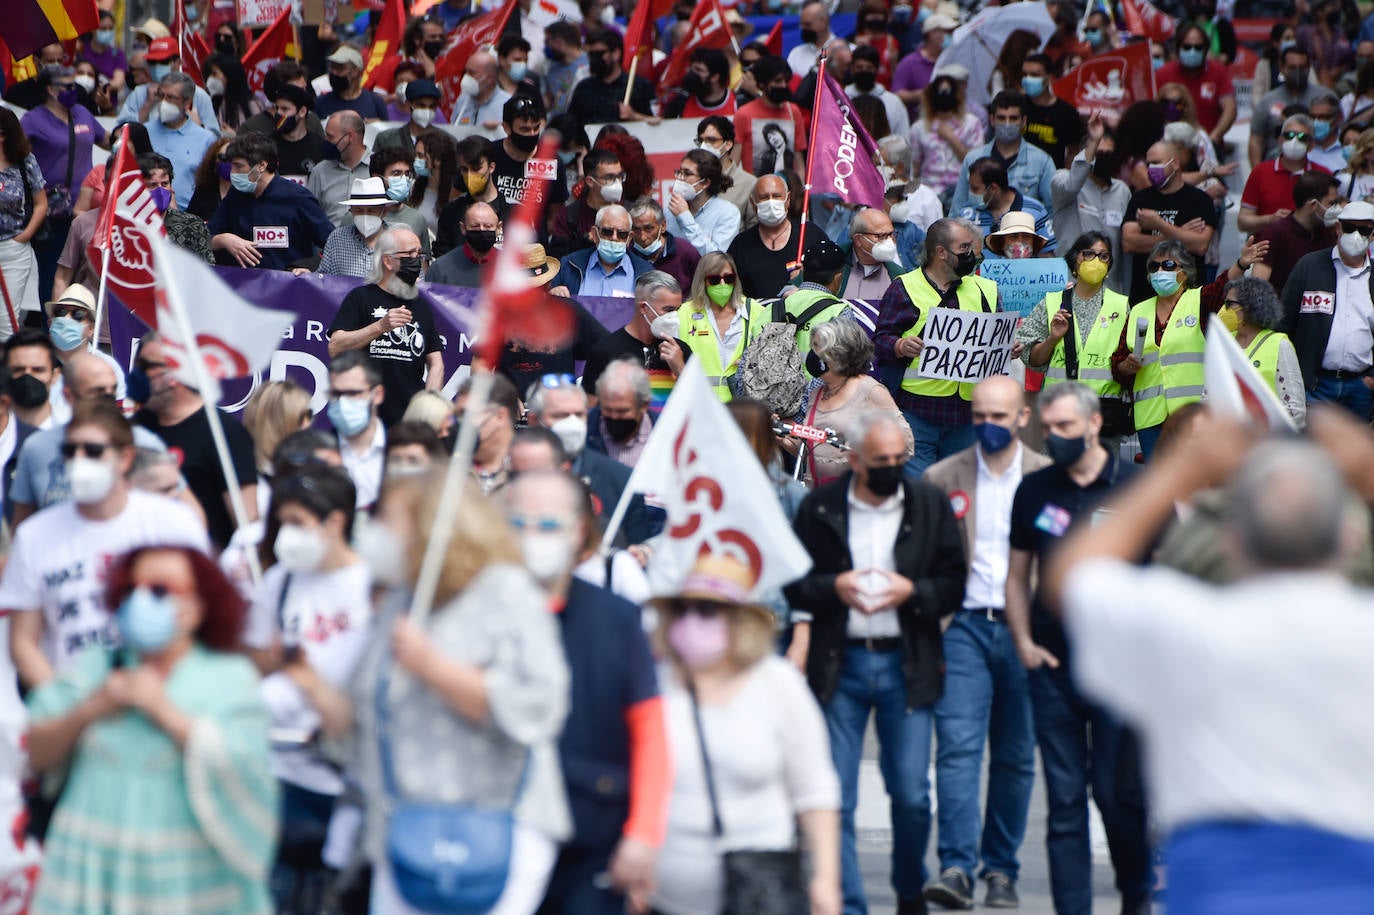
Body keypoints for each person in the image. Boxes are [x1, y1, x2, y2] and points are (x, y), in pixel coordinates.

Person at [1046, 411, 1374, 912]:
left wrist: (1178, 473)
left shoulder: (1191, 629)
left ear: (1232, 539)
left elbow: (1073, 576)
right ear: (1350, 537)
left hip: (1217, 888)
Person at [316, 470, 572, 914]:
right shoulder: (402, 599)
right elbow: (361, 707)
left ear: (427, 525)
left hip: (496, 827)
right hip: (404, 828)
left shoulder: (506, 592)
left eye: (388, 519)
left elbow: (540, 707)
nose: (376, 534)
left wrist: (434, 668)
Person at [24, 543, 276, 913]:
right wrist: (90, 710)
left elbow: (249, 771)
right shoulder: (98, 665)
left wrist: (164, 712)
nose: (140, 600)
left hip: (185, 882)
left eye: (159, 590)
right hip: (91, 872)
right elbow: (34, 752)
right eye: (131, 589)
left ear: (197, 607)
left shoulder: (229, 678)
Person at [786, 409, 965, 915]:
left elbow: (954, 582)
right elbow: (797, 582)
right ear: (855, 459)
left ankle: (910, 890)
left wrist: (913, 592)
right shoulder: (821, 508)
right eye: (881, 460)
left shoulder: (927, 505)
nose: (892, 468)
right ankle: (849, 905)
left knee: (910, 794)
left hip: (904, 663)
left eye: (899, 459)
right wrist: (833, 587)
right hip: (839, 664)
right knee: (835, 797)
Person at [1004, 382, 1152, 915]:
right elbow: (1018, 573)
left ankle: (1136, 894)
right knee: (1065, 801)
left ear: (1093, 425)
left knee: (1118, 797)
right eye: (1050, 429)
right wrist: (1022, 639)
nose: (1056, 437)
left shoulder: (1138, 488)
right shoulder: (1036, 489)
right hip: (1053, 665)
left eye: (1066, 427)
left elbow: (1167, 582)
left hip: (1121, 671)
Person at [502, 472, 667, 915]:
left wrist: (643, 833)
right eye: (519, 524)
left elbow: (650, 730)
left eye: (548, 524)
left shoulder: (617, 619)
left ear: (578, 531)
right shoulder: (482, 612)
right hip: (499, 836)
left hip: (593, 837)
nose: (533, 536)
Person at [650, 551, 840, 915]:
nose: (692, 621)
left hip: (759, 893)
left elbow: (815, 789)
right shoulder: (656, 685)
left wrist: (826, 880)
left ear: (740, 622)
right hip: (666, 900)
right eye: (683, 610)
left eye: (708, 610)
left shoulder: (776, 685)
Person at [918, 376, 1047, 911]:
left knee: (1016, 757)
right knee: (957, 750)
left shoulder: (1047, 479)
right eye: (980, 416)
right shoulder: (941, 477)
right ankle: (955, 867)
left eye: (999, 417)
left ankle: (1001, 869)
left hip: (1026, 632)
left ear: (1021, 417)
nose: (988, 426)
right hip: (964, 627)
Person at [2, 400, 208, 689]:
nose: (79, 460)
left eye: (93, 451)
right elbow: (23, 642)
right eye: (70, 451)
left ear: (125, 458)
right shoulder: (34, 536)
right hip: (71, 704)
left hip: (164, 697)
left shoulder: (172, 523)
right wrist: (62, 705)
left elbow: (202, 614)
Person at [246, 466, 368, 913]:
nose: (284, 536)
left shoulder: (369, 589)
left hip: (341, 781)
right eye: (281, 524)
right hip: (277, 775)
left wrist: (308, 680)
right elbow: (255, 658)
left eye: (297, 524)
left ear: (335, 523)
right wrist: (270, 661)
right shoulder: (281, 582)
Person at [874, 219, 1003, 476]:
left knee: (958, 493)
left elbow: (994, 337)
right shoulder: (904, 288)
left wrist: (1006, 347)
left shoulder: (986, 289)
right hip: (918, 412)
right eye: (964, 248)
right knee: (918, 491)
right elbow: (880, 340)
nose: (972, 254)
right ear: (941, 252)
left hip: (967, 414)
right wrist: (899, 345)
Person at [133, 332, 258, 547]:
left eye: (146, 366)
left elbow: (247, 525)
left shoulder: (224, 433)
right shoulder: (136, 427)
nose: (137, 374)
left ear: (175, 373)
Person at [327, 227, 444, 426]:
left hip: (407, 421)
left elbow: (436, 363)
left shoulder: (421, 305)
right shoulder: (361, 298)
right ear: (388, 261)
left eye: (419, 253)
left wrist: (428, 405)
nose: (416, 260)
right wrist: (380, 326)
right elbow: (335, 347)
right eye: (409, 254)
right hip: (363, 414)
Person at [525, 376, 656, 546]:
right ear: (534, 421)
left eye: (579, 414)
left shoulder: (621, 480)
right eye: (560, 415)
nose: (572, 423)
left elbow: (637, 550)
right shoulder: (509, 475)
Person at [1111, 240, 1208, 459]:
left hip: (1191, 414)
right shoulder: (1138, 310)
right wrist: (1126, 366)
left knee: (1190, 484)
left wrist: (1240, 264)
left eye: (1168, 266)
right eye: (1154, 267)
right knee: (1158, 485)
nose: (1160, 271)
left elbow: (1224, 287)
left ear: (1184, 272)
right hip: (1150, 417)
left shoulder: (1200, 300)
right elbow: (1117, 364)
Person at [1279, 200, 1374, 417]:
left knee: (1355, 450)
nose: (1356, 235)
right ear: (1338, 228)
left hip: (1360, 387)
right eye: (1350, 228)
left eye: (1365, 230)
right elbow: (1284, 322)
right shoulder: (1309, 266)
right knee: (1312, 449)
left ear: (1373, 235)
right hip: (1314, 384)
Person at [793, 319, 912, 487]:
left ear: (840, 353)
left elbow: (905, 443)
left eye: (818, 347)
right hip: (819, 495)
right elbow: (815, 448)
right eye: (813, 346)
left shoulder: (871, 391)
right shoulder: (817, 393)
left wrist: (863, 452)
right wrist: (786, 439)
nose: (812, 354)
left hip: (857, 494)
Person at [209, 132, 335, 271]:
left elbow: (335, 245)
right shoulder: (236, 195)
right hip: (244, 284)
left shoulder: (298, 198)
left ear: (261, 166)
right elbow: (204, 238)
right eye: (232, 166)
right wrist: (224, 239)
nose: (232, 172)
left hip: (288, 285)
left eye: (239, 167)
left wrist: (309, 266)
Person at [1121, 140, 1218, 304]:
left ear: (1175, 163)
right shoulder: (1140, 198)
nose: (1151, 168)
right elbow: (1129, 243)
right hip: (1144, 297)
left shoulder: (1200, 200)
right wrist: (1180, 234)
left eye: (1156, 162)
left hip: (1187, 298)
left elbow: (1200, 246)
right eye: (1148, 163)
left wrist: (1159, 225)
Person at [580, 271, 687, 410]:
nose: (675, 317)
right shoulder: (605, 351)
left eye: (677, 310)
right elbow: (590, 409)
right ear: (643, 307)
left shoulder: (681, 351)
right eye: (669, 310)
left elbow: (701, 403)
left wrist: (680, 368)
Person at [1050, 115, 1131, 292]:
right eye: (1098, 153)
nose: (1104, 158)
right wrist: (1093, 141)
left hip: (1109, 287)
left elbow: (1125, 250)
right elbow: (1072, 185)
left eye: (1109, 154)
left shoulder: (1122, 191)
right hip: (1070, 284)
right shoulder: (1062, 179)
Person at [676, 253, 770, 403]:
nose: (722, 285)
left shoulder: (755, 311)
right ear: (703, 281)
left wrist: (754, 361)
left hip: (743, 407)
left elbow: (773, 359)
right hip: (699, 405)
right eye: (714, 280)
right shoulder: (684, 314)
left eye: (729, 279)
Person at [949, 92, 1055, 221]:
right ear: (992, 120)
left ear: (1023, 121)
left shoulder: (1042, 161)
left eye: (1013, 118)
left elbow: (1052, 211)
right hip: (978, 234)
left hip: (1023, 235)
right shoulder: (973, 159)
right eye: (1001, 118)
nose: (1007, 123)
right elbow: (957, 209)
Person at [1222, 276, 1306, 426]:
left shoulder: (1279, 344)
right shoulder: (1225, 342)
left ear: (1250, 306)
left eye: (1230, 304)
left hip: (1265, 440)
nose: (1224, 310)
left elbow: (1294, 410)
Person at [1239, 113, 1332, 235]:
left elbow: (1332, 218)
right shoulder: (1260, 172)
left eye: (1302, 137)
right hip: (1267, 247)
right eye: (1289, 135)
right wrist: (1270, 219)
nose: (1294, 141)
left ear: (1312, 145)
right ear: (1280, 140)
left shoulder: (1323, 175)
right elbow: (1243, 221)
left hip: (1311, 247)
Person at [1252, 171, 1340, 295]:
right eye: (1331, 203)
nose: (1337, 209)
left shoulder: (1327, 232)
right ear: (1314, 204)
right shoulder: (1275, 233)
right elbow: (1257, 287)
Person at [0, 106, 47, 336]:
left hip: (12, 247)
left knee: (6, 320)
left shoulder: (23, 160)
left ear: (4, 134)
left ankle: (9, 369)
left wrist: (25, 235)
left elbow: (41, 203)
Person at [115, 38, 220, 136]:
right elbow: (120, 134)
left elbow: (214, 138)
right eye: (152, 62)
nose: (156, 66)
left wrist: (198, 127)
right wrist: (147, 105)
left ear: (178, 62)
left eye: (163, 62)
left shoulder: (197, 95)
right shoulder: (139, 93)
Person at [1155, 24, 1237, 148]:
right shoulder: (1163, 74)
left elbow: (1230, 108)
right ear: (1178, 48)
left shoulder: (1219, 72)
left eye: (1198, 47)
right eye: (1187, 47)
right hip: (1170, 148)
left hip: (1210, 144)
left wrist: (1214, 137)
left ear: (1205, 49)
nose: (1192, 51)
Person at [325, 352, 387, 510]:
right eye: (336, 394)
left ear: (377, 395)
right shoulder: (318, 452)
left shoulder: (399, 452)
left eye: (353, 393)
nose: (343, 402)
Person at [144, 72, 216, 207]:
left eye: (171, 97)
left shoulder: (206, 139)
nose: (163, 102)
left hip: (188, 217)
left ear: (187, 102)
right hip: (145, 216)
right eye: (160, 95)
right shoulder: (143, 132)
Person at [492, 94, 569, 219]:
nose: (532, 134)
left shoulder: (551, 161)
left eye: (536, 128)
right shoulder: (490, 154)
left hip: (534, 237)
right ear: (506, 128)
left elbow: (555, 213)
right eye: (525, 129)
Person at [910, 72, 983, 203]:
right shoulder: (919, 128)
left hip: (961, 191)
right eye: (940, 92)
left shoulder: (972, 123)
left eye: (948, 92)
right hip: (930, 192)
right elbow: (915, 165)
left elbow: (976, 163)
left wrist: (951, 138)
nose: (944, 96)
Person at [241, 379, 313, 513]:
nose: (308, 424)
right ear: (278, 424)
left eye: (309, 415)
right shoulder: (248, 482)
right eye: (302, 417)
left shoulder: (309, 473)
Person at [1250, 45, 1326, 167]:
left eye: (1302, 68)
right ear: (1282, 67)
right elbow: (1256, 139)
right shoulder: (1267, 101)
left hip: (1315, 167)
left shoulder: (1324, 97)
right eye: (1292, 67)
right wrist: (1257, 172)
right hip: (1274, 166)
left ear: (1308, 68)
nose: (1297, 72)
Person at [735, 57, 810, 177]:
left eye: (786, 81)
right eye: (778, 81)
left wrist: (800, 190)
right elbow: (735, 161)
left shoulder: (793, 111)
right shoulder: (744, 114)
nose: (783, 85)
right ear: (762, 84)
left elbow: (799, 161)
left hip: (789, 190)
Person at [549, 149, 625, 259]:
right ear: (590, 181)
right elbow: (556, 257)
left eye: (620, 176)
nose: (617, 183)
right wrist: (584, 242)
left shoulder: (627, 212)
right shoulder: (569, 216)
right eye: (609, 178)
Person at [569, 29, 655, 125]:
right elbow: (572, 124)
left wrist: (634, 116)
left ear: (616, 54)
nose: (594, 59)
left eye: (599, 54)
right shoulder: (584, 88)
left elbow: (658, 122)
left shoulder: (640, 86)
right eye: (591, 55)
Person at [965, 163, 1057, 253]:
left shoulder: (1036, 210)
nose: (971, 193)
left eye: (975, 188)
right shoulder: (967, 213)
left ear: (993, 188)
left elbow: (1047, 258)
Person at [664, 150, 740, 257]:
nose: (679, 178)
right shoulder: (669, 211)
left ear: (705, 183)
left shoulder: (728, 213)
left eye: (687, 173)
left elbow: (716, 258)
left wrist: (685, 218)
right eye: (679, 172)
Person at [1019, 54, 1085, 169]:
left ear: (1048, 77)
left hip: (1052, 176)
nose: (1028, 79)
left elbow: (1073, 151)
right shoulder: (1017, 105)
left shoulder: (1067, 113)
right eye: (1025, 74)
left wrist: (1066, 178)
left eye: (1034, 75)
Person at [318, 177, 392, 278]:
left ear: (384, 212)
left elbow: (416, 282)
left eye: (371, 211)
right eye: (359, 210)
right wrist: (306, 276)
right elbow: (323, 279)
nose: (365, 216)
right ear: (351, 211)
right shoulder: (337, 238)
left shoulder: (400, 240)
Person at [310, 111, 372, 227]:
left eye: (331, 136)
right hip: (328, 242)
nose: (326, 141)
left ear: (350, 137)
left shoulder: (378, 166)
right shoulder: (320, 171)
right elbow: (310, 215)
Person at [588, 360, 655, 467]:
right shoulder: (585, 429)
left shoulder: (665, 434)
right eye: (607, 409)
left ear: (644, 406)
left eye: (622, 411)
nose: (614, 416)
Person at [627, 197, 701, 293]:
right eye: (636, 229)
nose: (642, 237)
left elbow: (702, 288)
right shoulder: (628, 255)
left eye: (648, 228)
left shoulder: (685, 251)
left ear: (663, 226)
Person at [426, 201, 502, 287]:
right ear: (463, 228)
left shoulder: (512, 268)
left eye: (488, 226)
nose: (481, 230)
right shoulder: (440, 269)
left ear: (498, 228)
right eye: (475, 226)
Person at [373, 78, 442, 161]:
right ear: (409, 104)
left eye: (431, 106)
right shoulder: (386, 140)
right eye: (421, 105)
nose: (427, 110)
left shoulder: (446, 142)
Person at [6, 330, 62, 431]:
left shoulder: (74, 428)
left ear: (55, 376)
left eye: (38, 370)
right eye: (18, 369)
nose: (28, 376)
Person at [315, 45, 387, 120]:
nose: (334, 72)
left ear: (355, 71)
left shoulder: (375, 102)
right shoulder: (322, 102)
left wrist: (378, 124)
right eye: (332, 67)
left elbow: (386, 129)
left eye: (340, 68)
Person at [453, 48, 513, 129]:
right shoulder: (462, 101)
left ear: (489, 78)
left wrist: (499, 129)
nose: (466, 77)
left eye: (472, 73)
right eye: (465, 72)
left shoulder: (507, 104)